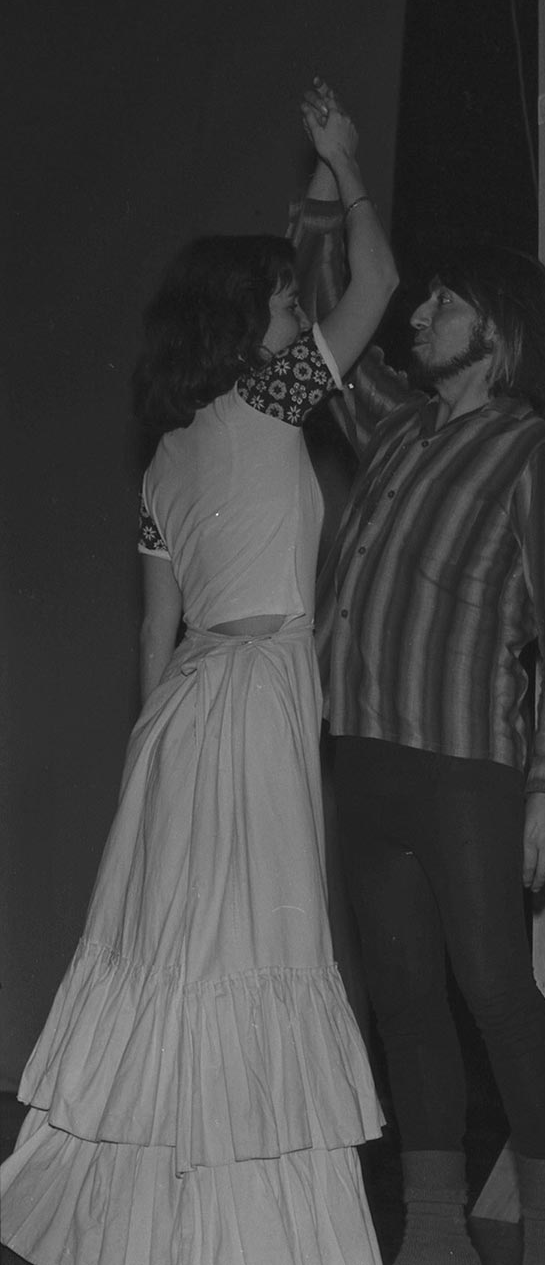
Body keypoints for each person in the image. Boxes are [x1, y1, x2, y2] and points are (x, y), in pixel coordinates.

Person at [0, 88, 398, 1265]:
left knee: (186, 948)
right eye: (278, 299)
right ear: (239, 322)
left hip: (181, 717)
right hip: (258, 688)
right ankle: (260, 1235)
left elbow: (153, 636)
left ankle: (164, 1227)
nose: (294, 309)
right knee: (262, 943)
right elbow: (375, 283)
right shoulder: (269, 398)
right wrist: (347, 166)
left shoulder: (166, 460)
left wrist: (148, 767)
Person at [292, 86, 545, 1265]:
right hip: (364, 760)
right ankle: (430, 1224)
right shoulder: (393, 426)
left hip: (468, 766)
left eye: (441, 303)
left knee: (491, 989)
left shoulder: (536, 456)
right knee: (402, 995)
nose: (417, 314)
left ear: (499, 329)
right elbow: (323, 307)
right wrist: (336, 176)